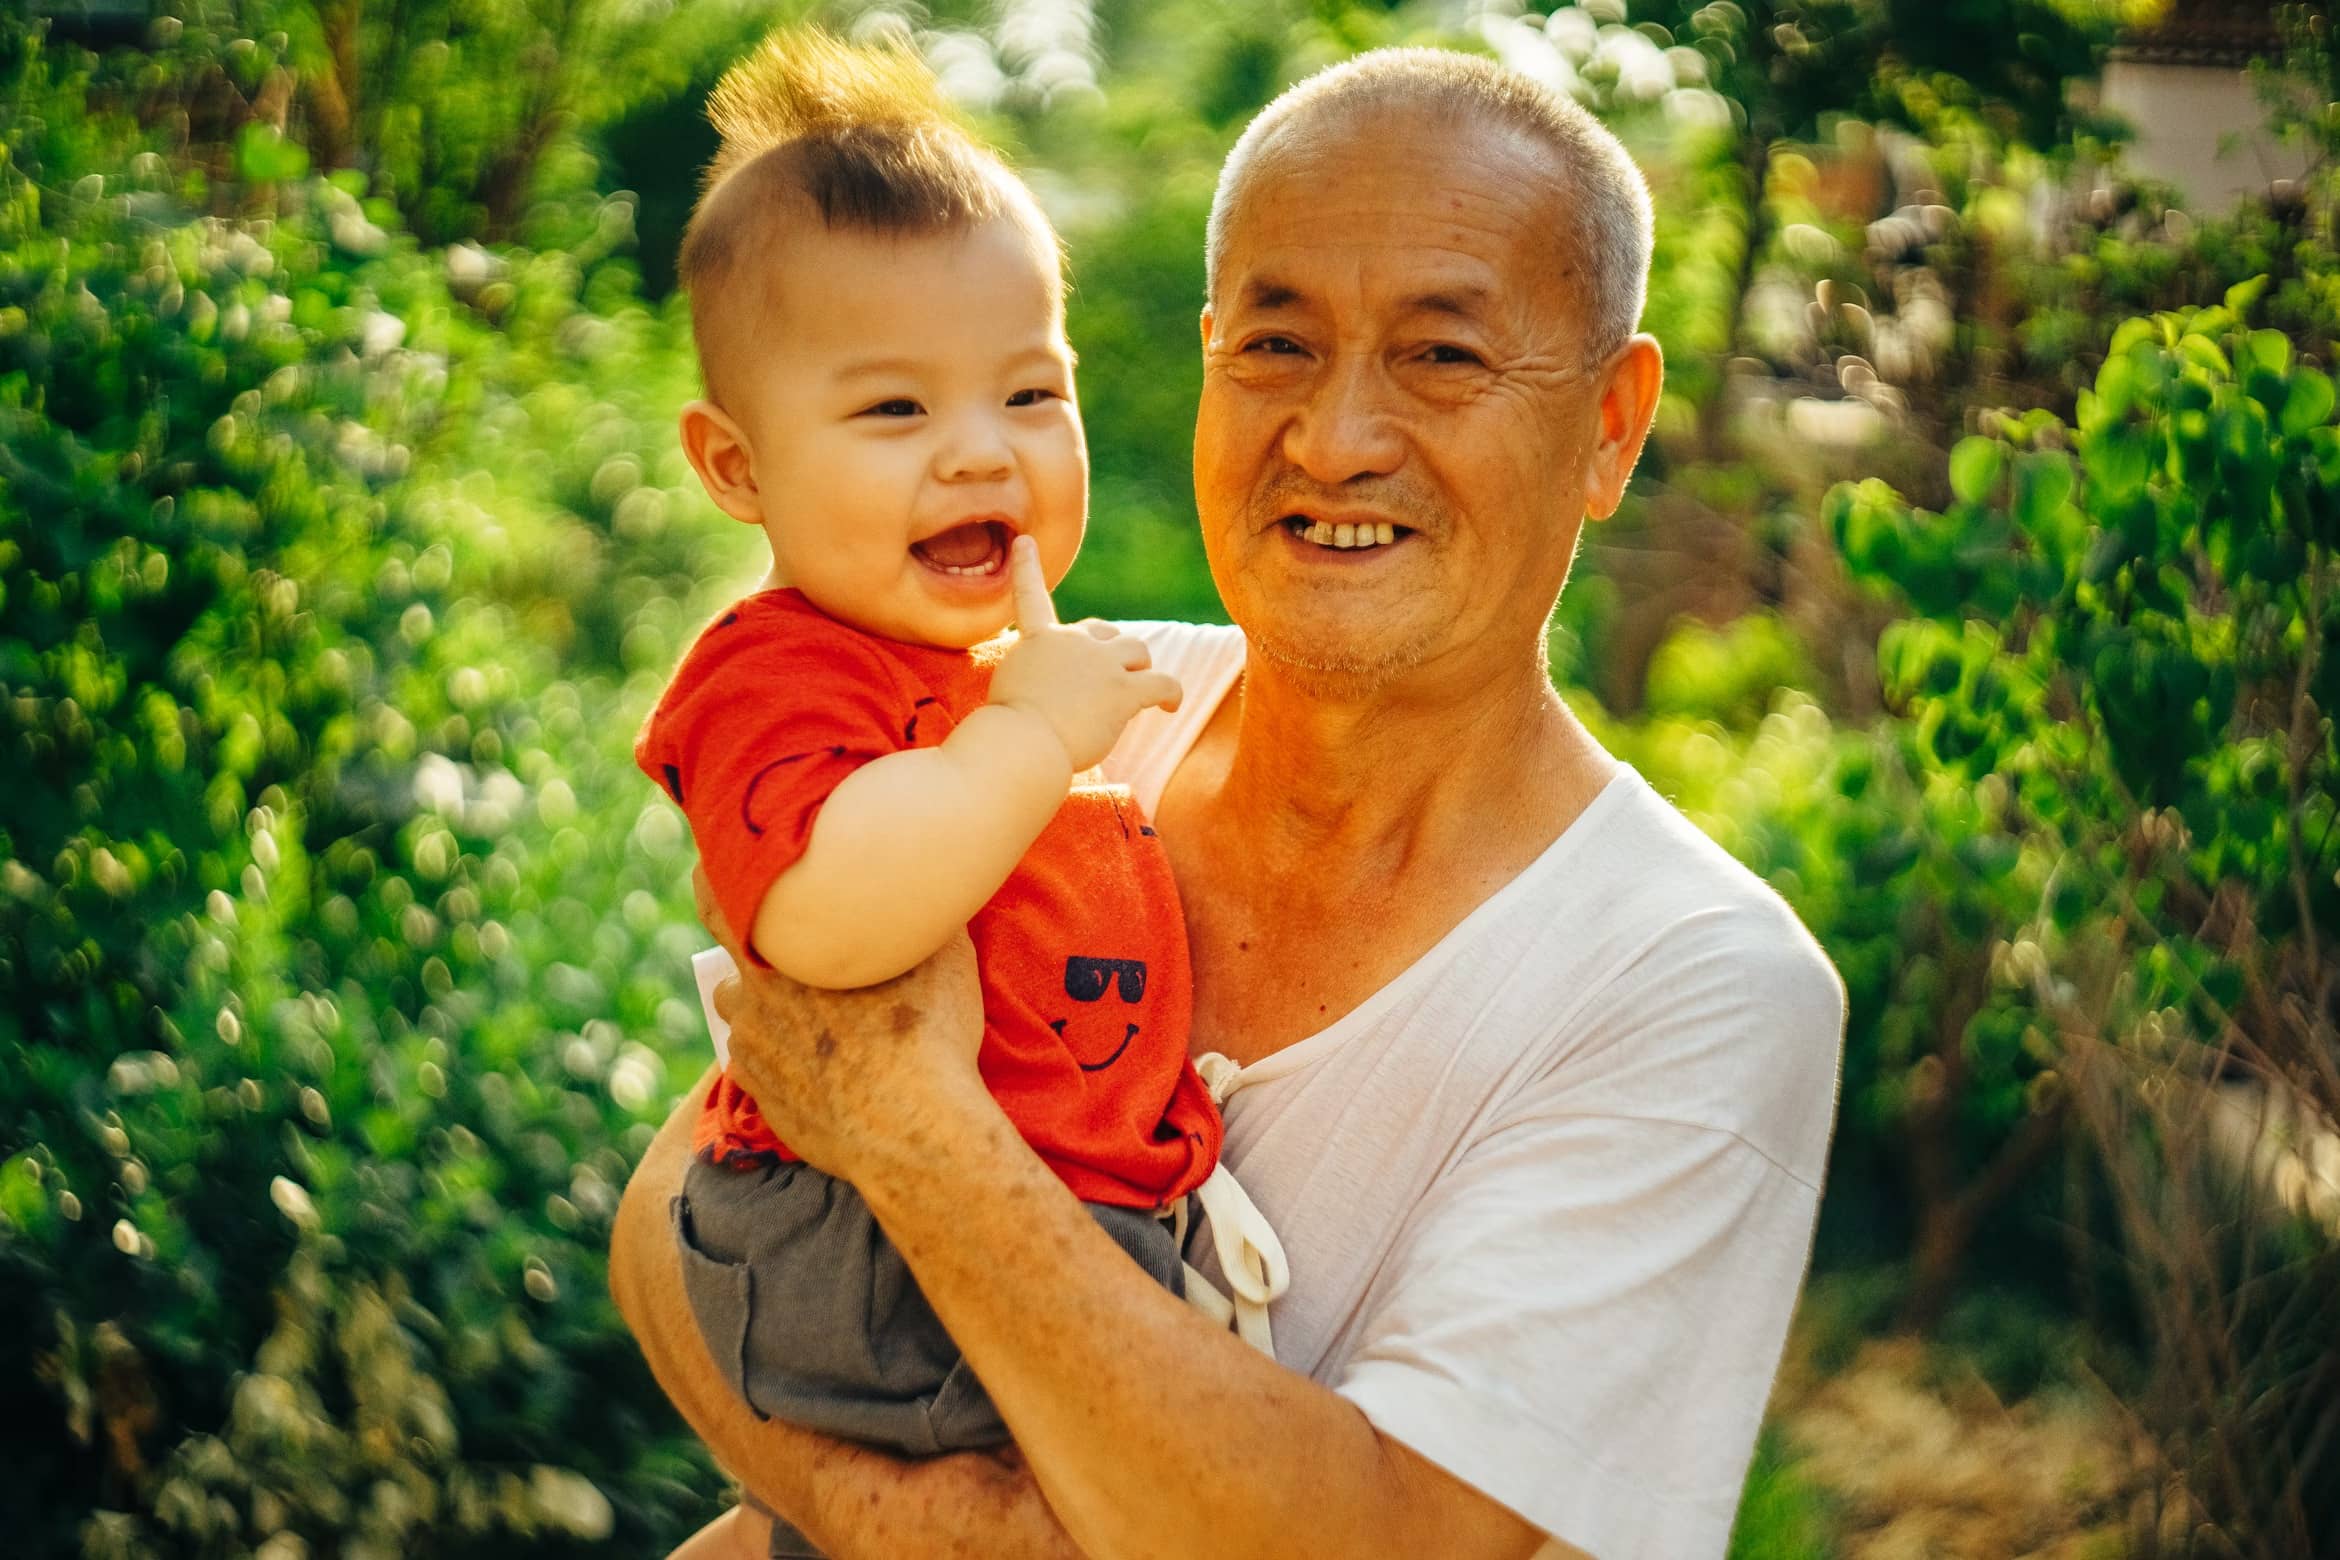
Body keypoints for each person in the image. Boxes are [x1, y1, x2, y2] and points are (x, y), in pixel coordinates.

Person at [612, 43, 1845, 1560]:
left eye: (1443, 356)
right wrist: (908, 1527)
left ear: (1610, 421)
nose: (1334, 440)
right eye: (1275, 348)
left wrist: (914, 1131)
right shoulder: (1058, 720)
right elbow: (673, 1220)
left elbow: (1381, 1539)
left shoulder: (1685, 981)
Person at [631, 29, 1285, 1556]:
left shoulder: (987, 665)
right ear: (736, 467)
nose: (978, 455)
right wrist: (1026, 743)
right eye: (894, 414)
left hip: (1010, 1244)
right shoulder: (776, 676)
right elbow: (827, 917)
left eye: (1028, 395)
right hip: (864, 1258)